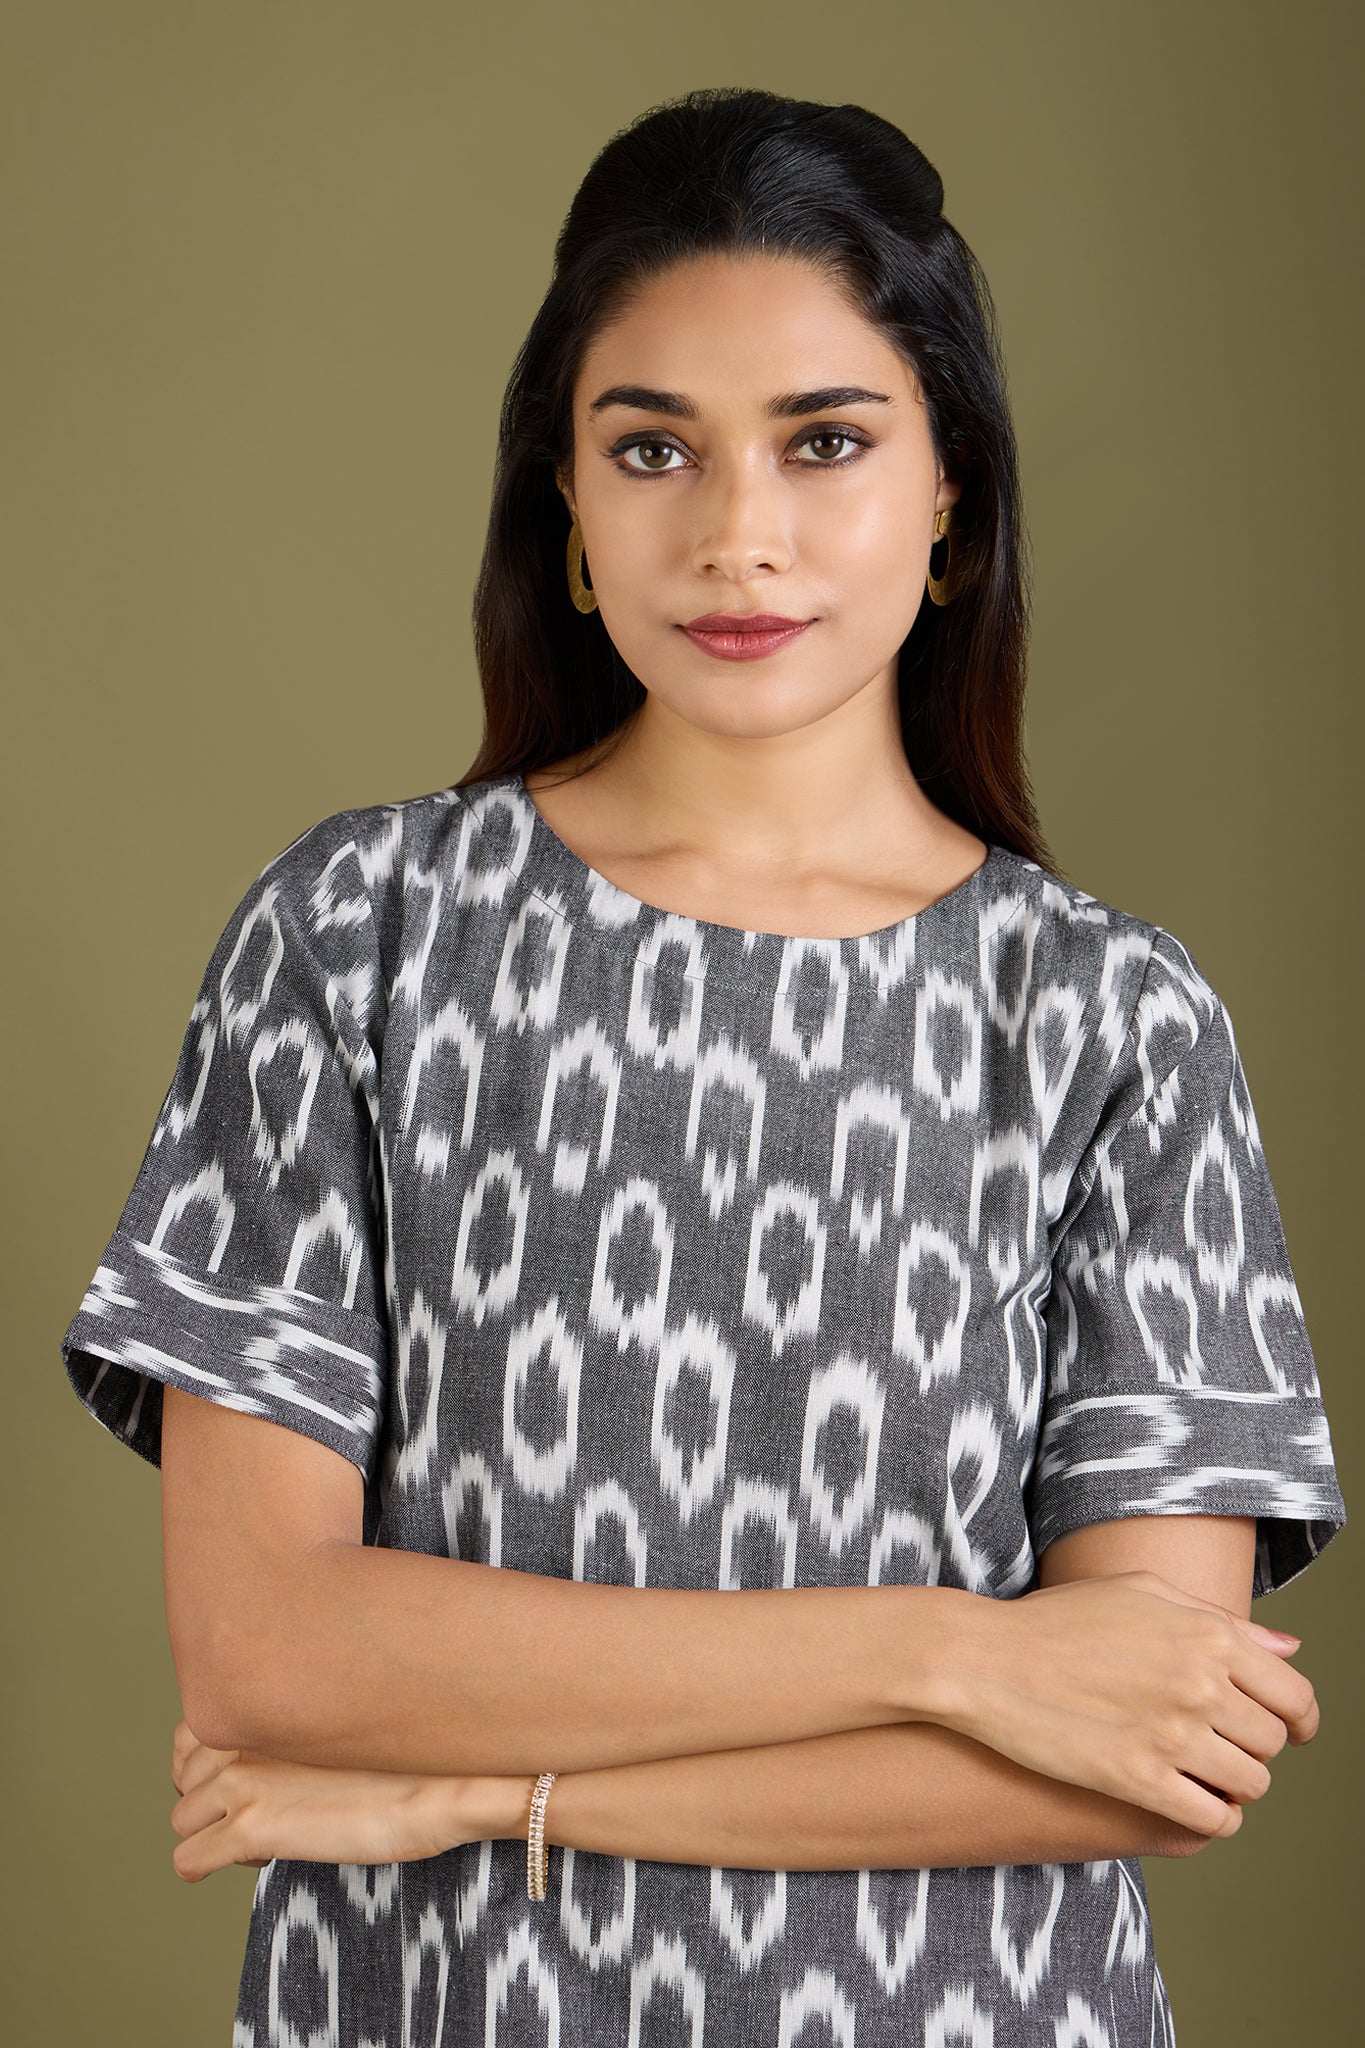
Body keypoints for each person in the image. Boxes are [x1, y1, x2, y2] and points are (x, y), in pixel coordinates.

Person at [61, 85, 1347, 2047]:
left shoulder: (1113, 1023)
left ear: (950, 493)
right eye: (650, 447)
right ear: (567, 508)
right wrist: (957, 1652)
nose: (737, 536)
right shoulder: (355, 936)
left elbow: (1145, 1754)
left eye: (825, 441)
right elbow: (268, 1653)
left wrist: (485, 1792)